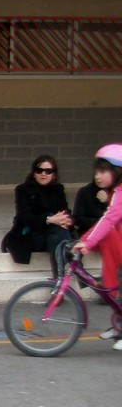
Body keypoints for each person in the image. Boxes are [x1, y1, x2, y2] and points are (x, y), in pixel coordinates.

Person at [71, 144, 122, 348]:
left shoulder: (119, 194)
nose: (97, 176)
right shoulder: (115, 192)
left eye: (103, 171)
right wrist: (85, 240)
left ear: (117, 171)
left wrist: (87, 242)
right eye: (95, 172)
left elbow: (108, 220)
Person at [2, 155, 72, 272]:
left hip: (52, 236)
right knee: (56, 229)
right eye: (39, 171)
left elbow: (64, 210)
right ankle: (74, 261)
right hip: (32, 234)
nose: (43, 174)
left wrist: (65, 219)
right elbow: (25, 217)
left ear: (54, 175)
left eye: (48, 171)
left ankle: (58, 277)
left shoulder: (58, 189)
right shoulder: (23, 190)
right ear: (34, 173)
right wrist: (49, 219)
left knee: (55, 238)